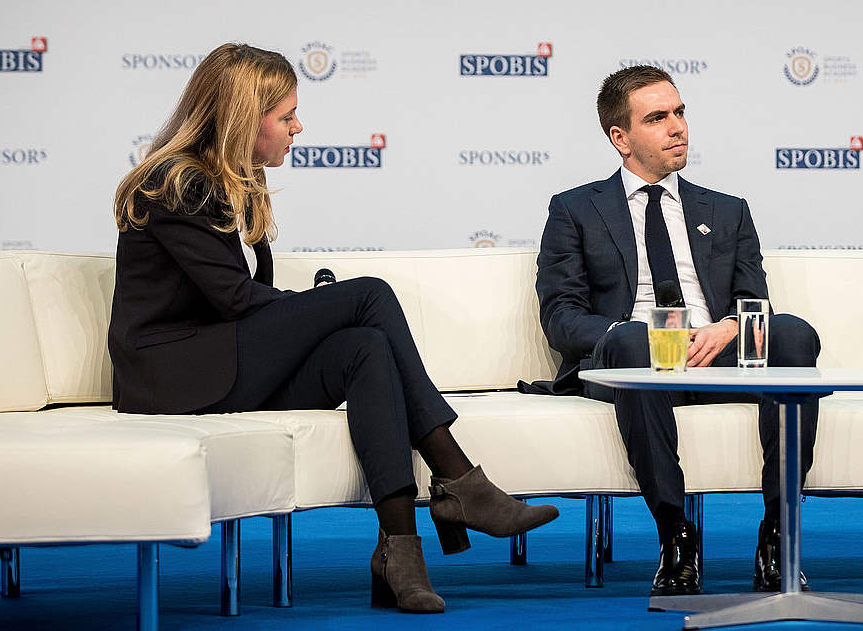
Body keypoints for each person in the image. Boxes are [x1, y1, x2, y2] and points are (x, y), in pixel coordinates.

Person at [107, 43, 557, 614]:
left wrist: (308, 313)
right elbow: (232, 298)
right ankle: (460, 479)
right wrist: (312, 310)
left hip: (218, 359)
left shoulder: (229, 178)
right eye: (286, 115)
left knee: (363, 348)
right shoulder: (180, 182)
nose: (299, 126)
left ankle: (399, 552)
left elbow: (234, 302)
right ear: (247, 119)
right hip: (172, 375)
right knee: (368, 295)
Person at [533, 65, 822, 596]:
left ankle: (779, 535)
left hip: (715, 352)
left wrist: (731, 326)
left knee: (794, 335)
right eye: (658, 118)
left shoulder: (728, 211)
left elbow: (753, 301)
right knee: (627, 340)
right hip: (633, 357)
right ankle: (675, 536)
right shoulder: (575, 209)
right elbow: (562, 316)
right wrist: (641, 334)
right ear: (620, 138)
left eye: (680, 112)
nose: (677, 127)